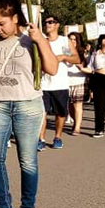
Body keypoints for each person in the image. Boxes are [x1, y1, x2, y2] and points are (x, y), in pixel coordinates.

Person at [0, 0, 58, 208]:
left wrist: (41, 41)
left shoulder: (30, 38)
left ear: (15, 18)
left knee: (27, 160)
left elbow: (52, 69)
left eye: (2, 23)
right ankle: (4, 207)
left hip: (27, 104)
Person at [37, 15, 79, 150]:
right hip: (43, 84)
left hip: (59, 84)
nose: (47, 24)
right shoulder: (42, 41)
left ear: (57, 25)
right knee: (41, 113)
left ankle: (57, 137)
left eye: (51, 22)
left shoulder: (63, 41)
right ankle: (41, 139)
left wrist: (63, 57)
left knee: (60, 113)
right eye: (45, 22)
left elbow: (75, 58)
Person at [66, 32, 86, 135]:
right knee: (70, 106)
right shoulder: (64, 51)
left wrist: (80, 65)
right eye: (70, 39)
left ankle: (77, 127)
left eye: (74, 39)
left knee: (78, 105)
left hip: (78, 80)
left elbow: (84, 65)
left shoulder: (82, 52)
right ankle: (75, 122)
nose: (72, 41)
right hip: (66, 81)